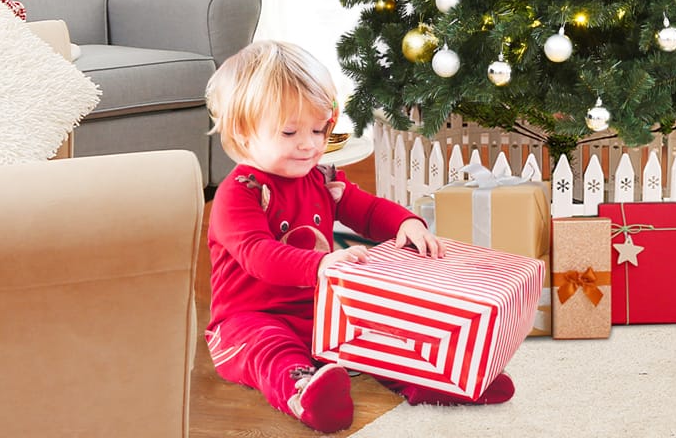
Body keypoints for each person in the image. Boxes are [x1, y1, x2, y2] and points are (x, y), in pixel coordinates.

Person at [204, 40, 515, 432]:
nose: (309, 144)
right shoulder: (241, 192)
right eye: (289, 132)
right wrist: (320, 265)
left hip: (319, 309)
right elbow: (257, 254)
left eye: (319, 129)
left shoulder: (321, 178)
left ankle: (431, 379)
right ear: (244, 133)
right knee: (271, 348)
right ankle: (305, 392)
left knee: (379, 331)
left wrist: (405, 224)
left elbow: (366, 210)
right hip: (248, 320)